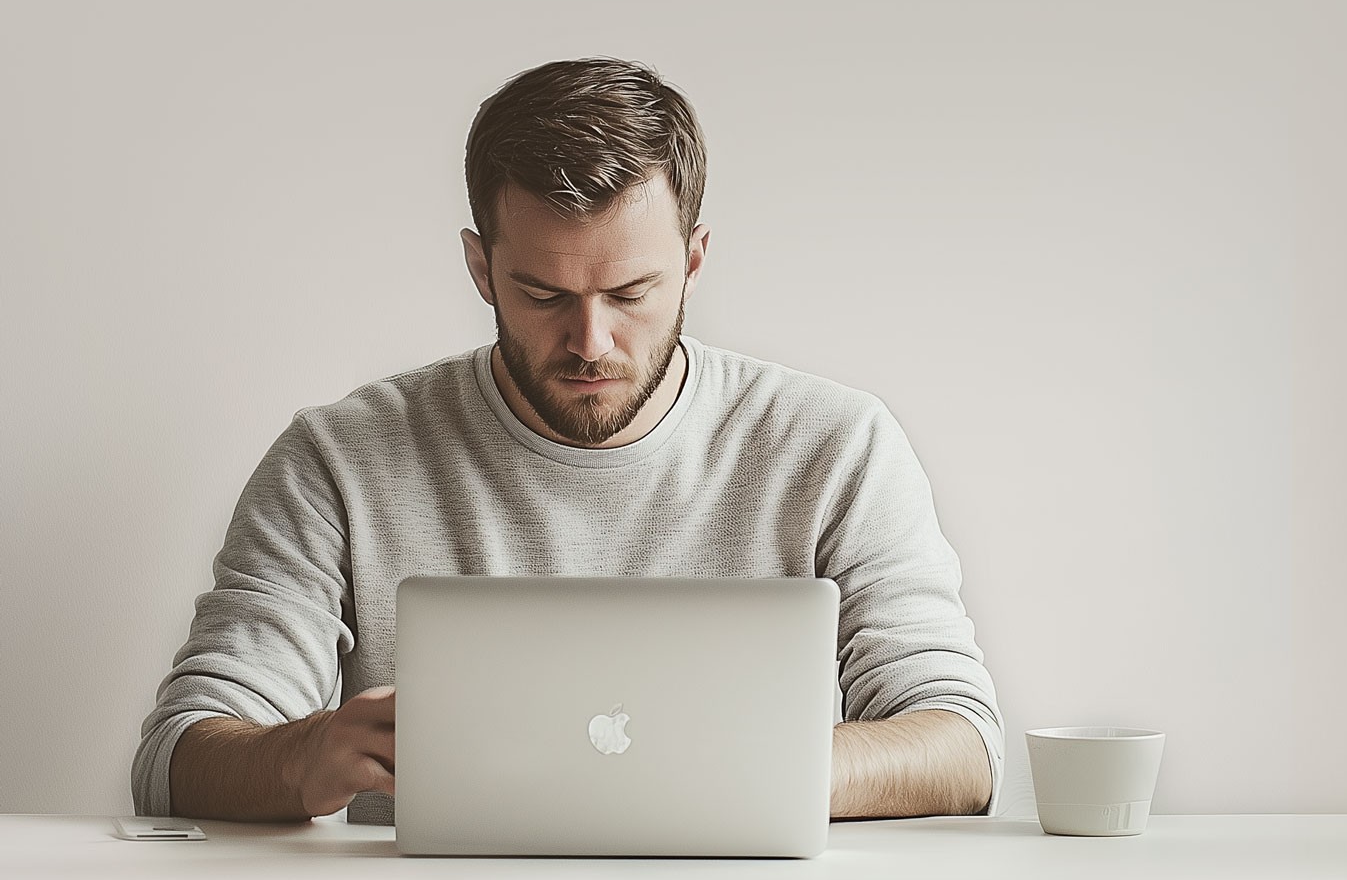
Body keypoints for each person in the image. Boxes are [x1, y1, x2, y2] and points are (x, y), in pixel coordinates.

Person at [131, 58, 1002, 825]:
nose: (590, 340)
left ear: (695, 260)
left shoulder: (836, 445)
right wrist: (301, 757)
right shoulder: (340, 459)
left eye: (631, 292)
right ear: (481, 268)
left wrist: (753, 771)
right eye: (544, 294)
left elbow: (963, 745)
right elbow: (178, 754)